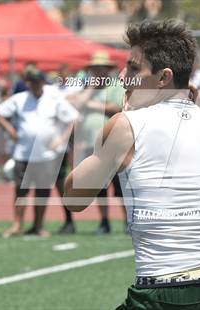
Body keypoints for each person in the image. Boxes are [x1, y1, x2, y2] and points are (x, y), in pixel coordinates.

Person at [64, 19, 200, 310]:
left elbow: (73, 197)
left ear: (163, 77)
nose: (122, 77)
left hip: (161, 292)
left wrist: (122, 119)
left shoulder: (126, 125)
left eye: (133, 68)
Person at [0, 68, 79, 237]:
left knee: (42, 190)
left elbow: (73, 119)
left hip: (46, 155)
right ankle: (17, 225)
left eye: (36, 81)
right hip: (23, 153)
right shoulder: (19, 99)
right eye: (31, 81)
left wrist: (61, 140)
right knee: (20, 191)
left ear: (42, 82)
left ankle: (38, 225)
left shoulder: (54, 99)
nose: (34, 84)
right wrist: (10, 130)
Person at [74, 51, 126, 234]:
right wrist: (90, 90)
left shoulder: (115, 85)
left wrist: (90, 105)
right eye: (95, 69)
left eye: (101, 69)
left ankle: (127, 220)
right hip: (92, 144)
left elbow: (116, 107)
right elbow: (76, 104)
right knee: (99, 187)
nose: (98, 72)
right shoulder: (88, 89)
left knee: (120, 186)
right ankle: (104, 221)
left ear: (107, 69)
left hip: (113, 143)